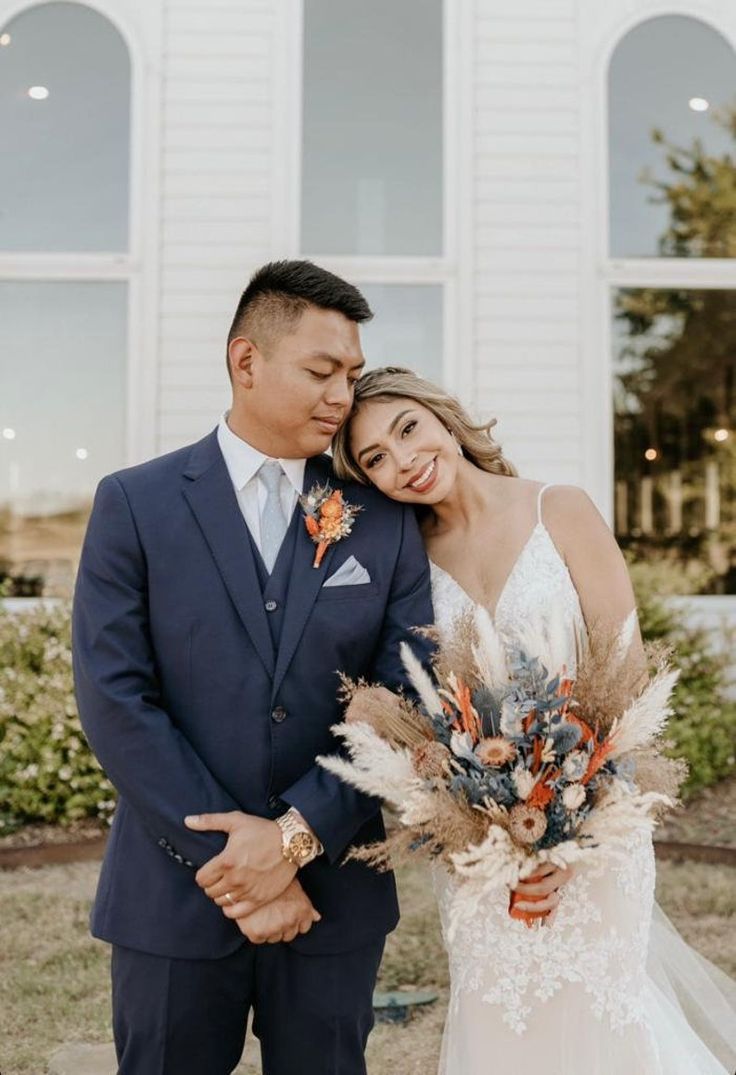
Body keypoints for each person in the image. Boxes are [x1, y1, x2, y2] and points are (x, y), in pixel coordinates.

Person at [72, 262, 440, 1075]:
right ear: (246, 362)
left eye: (351, 372)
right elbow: (114, 698)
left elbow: (404, 692)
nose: (343, 394)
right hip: (171, 900)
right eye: (321, 371)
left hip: (335, 900)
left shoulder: (383, 518)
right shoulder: (135, 502)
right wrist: (244, 870)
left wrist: (298, 836)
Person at [332, 365, 736, 1075]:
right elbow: (421, 711)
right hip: (481, 849)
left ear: (442, 417)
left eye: (407, 429)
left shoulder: (562, 509)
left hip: (597, 819)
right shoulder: (403, 560)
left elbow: (627, 674)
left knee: (599, 1021)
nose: (404, 460)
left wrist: (570, 826)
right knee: (502, 1025)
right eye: (376, 459)